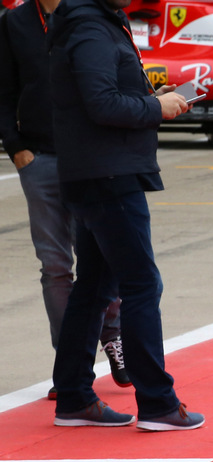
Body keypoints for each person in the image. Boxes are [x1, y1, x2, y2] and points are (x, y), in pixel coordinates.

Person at [47, 0, 203, 430]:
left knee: (96, 286)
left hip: (99, 172)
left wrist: (155, 101)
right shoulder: (91, 29)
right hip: (108, 176)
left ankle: (75, 396)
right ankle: (158, 403)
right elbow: (101, 104)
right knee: (140, 284)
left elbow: (101, 98)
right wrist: (158, 109)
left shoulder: (94, 24)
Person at [0, 0, 129, 400]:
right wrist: (17, 149)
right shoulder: (15, 22)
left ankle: (112, 334)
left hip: (89, 157)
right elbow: (4, 89)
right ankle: (71, 366)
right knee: (55, 268)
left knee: (103, 260)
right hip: (40, 158)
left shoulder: (94, 13)